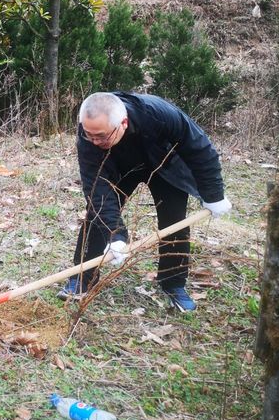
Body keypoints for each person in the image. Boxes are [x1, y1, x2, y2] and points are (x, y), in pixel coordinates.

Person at [58, 92, 231, 312]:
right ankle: (83, 277)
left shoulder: (159, 114)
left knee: (174, 221)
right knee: (95, 216)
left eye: (101, 136)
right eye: (89, 135)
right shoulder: (89, 137)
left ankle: (173, 283)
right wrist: (116, 234)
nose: (94, 141)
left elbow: (199, 148)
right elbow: (97, 189)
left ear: (123, 123)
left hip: (164, 165)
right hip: (118, 167)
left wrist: (214, 195)